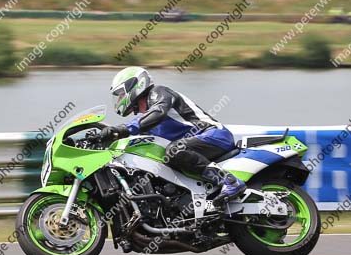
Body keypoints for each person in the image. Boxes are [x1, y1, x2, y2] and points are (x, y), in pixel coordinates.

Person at [102, 66, 246, 203]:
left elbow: (158, 112)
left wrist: (122, 128)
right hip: (194, 145)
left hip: (214, 134)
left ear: (134, 86)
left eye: (121, 94)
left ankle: (230, 181)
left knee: (173, 150)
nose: (119, 99)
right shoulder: (146, 121)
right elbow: (137, 133)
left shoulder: (159, 93)